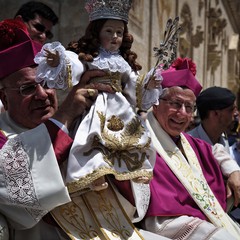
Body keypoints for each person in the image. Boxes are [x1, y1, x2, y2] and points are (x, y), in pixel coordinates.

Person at [0, 18, 169, 240]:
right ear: (3, 96)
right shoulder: (4, 136)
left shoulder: (85, 122)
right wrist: (64, 115)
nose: (43, 94)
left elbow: (131, 197)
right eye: (28, 88)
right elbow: (18, 188)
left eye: (47, 83)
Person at [34, 0, 163, 192]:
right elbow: (75, 65)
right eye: (109, 31)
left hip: (120, 107)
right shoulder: (91, 57)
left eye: (119, 32)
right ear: (97, 32)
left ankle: (137, 169)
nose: (115, 37)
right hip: (95, 104)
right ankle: (95, 173)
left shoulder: (122, 62)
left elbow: (133, 83)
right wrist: (59, 61)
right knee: (93, 138)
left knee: (134, 138)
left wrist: (147, 84)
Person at [141, 57, 240, 239]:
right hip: (164, 222)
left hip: (200, 217)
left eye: (189, 107)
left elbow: (215, 150)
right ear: (156, 103)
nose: (183, 114)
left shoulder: (190, 143)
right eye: (176, 104)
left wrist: (234, 170)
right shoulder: (140, 137)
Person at [188, 86, 238, 153]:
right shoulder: (188, 145)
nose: (236, 113)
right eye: (231, 110)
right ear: (215, 114)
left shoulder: (223, 140)